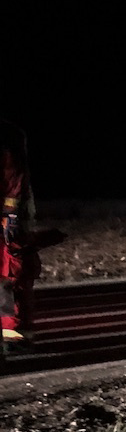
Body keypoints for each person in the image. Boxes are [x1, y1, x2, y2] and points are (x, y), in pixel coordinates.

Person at [2, 118, 40, 349]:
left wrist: (11, 214)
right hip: (11, 218)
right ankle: (16, 329)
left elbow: (13, 180)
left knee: (10, 276)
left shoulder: (8, 145)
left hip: (8, 221)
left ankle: (13, 330)